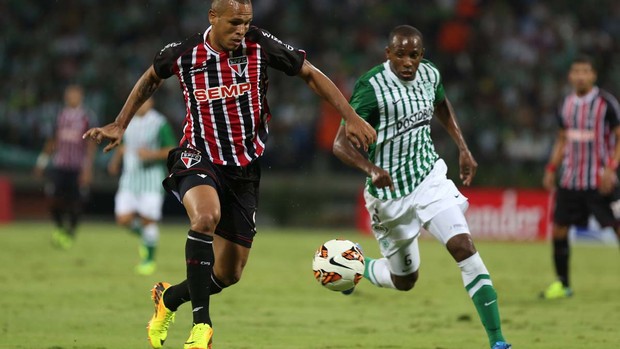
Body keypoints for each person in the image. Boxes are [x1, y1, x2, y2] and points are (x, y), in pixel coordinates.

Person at [82, 1, 377, 348]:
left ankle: (169, 299)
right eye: (235, 22)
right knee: (205, 217)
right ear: (213, 17)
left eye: (246, 22)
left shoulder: (259, 44)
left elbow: (310, 73)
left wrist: (351, 116)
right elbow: (150, 78)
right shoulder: (183, 53)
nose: (241, 30)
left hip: (243, 169)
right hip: (197, 154)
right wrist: (121, 122)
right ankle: (201, 326)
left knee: (228, 274)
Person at [332, 25, 511, 349]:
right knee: (405, 280)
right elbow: (340, 144)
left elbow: (441, 105)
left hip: (429, 179)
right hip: (388, 198)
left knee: (463, 247)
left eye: (413, 55)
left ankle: (498, 341)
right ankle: (357, 266)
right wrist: (371, 169)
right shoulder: (371, 88)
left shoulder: (430, 75)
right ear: (388, 54)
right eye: (399, 54)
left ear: (421, 55)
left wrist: (462, 146)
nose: (407, 61)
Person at [541, 55, 620, 300]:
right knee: (559, 229)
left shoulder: (606, 104)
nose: (581, 76)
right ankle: (562, 284)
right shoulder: (565, 103)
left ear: (593, 75)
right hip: (571, 180)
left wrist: (611, 169)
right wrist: (552, 168)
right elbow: (563, 139)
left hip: (600, 180)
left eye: (585, 71)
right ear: (570, 76)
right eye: (576, 71)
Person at [107, 97, 176, 275]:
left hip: (151, 179)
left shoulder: (159, 123)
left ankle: (148, 260)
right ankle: (146, 238)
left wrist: (152, 154)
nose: (141, 104)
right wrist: (115, 161)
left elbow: (171, 149)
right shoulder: (126, 121)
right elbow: (123, 145)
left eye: (145, 101)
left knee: (148, 220)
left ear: (151, 103)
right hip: (129, 178)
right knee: (123, 219)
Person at [34, 84, 97, 250]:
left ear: (81, 96)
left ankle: (71, 231)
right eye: (69, 94)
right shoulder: (59, 115)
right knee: (53, 199)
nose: (72, 97)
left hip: (77, 166)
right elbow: (52, 140)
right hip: (59, 165)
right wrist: (42, 161)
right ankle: (60, 227)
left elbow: (91, 145)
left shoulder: (87, 117)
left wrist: (88, 168)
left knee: (76, 201)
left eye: (75, 95)